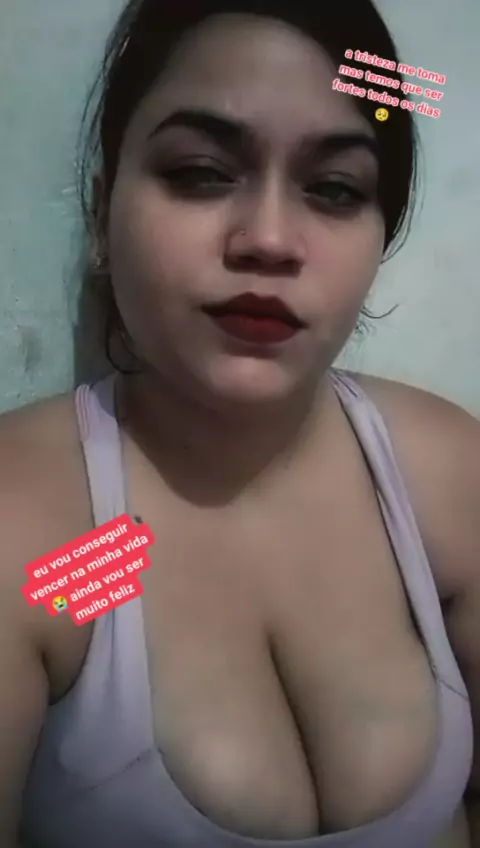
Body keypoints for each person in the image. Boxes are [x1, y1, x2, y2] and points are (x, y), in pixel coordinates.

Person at [0, 0, 478, 845]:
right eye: (200, 172)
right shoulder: (47, 537)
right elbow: (60, 582)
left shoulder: (445, 471)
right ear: (103, 212)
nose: (268, 238)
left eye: (335, 189)